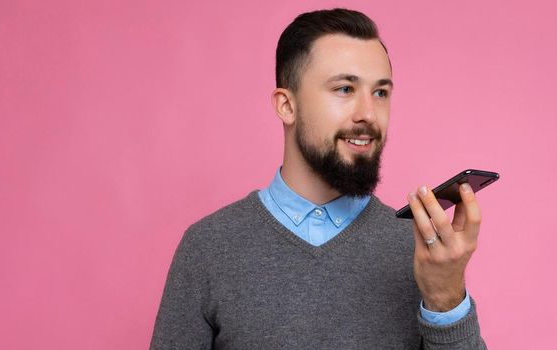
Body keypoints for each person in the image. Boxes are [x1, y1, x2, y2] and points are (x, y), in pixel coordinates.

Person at [150, 8, 488, 349]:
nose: (368, 114)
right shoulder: (208, 248)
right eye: (344, 89)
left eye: (381, 93)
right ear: (286, 105)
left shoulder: (422, 251)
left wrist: (446, 297)